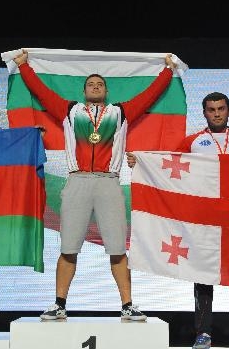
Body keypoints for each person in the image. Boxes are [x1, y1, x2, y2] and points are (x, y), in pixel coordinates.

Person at [12, 49, 178, 321]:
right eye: (91, 84)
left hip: (108, 183)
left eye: (100, 84)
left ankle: (127, 306)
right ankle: (59, 304)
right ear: (85, 90)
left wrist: (168, 70)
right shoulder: (69, 111)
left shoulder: (120, 113)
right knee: (68, 247)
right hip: (77, 181)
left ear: (106, 90)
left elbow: (149, 95)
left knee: (117, 247)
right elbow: (41, 92)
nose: (96, 87)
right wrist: (24, 67)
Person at [127, 91, 229, 349]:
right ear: (204, 113)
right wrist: (142, 161)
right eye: (211, 109)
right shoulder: (193, 142)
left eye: (221, 109)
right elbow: (166, 164)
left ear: (227, 111)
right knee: (203, 275)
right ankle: (202, 334)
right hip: (204, 219)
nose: (216, 113)